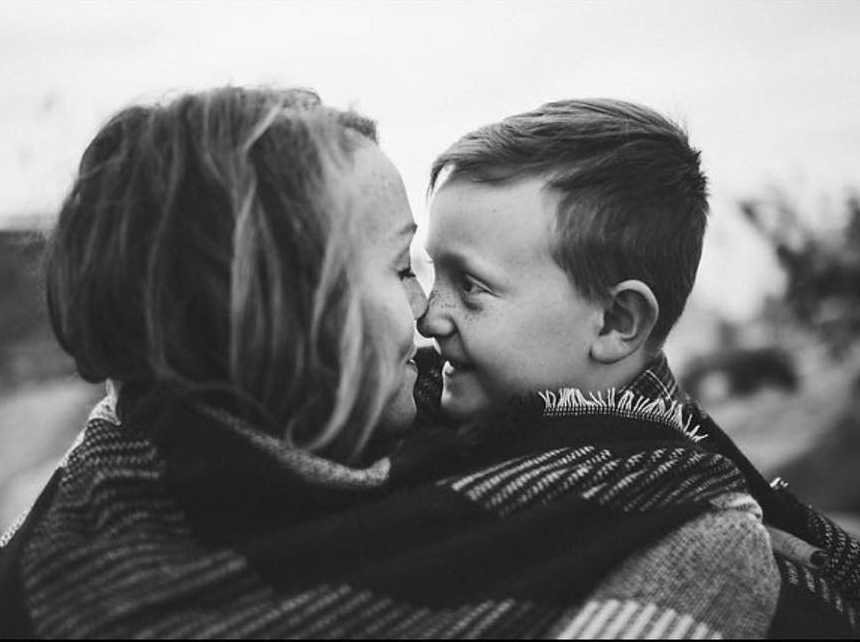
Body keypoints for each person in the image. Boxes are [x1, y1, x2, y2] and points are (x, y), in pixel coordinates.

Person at [416, 98, 860, 637]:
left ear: (615, 322)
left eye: (470, 286)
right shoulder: (408, 430)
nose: (428, 315)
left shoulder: (696, 545)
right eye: (427, 271)